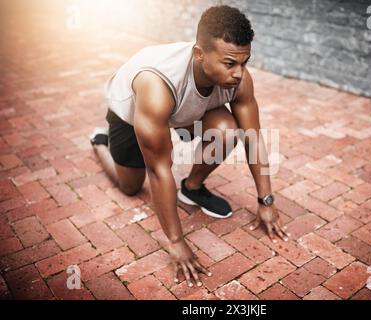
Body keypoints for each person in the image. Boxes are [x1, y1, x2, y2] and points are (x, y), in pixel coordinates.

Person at [90, 5, 289, 288]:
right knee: (131, 187)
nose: (239, 73)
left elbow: (252, 137)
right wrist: (175, 241)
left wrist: (266, 200)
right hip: (135, 113)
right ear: (199, 54)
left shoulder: (238, 77)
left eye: (244, 62)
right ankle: (100, 142)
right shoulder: (155, 83)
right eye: (230, 63)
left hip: (186, 111)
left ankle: (192, 188)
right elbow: (159, 170)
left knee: (228, 131)